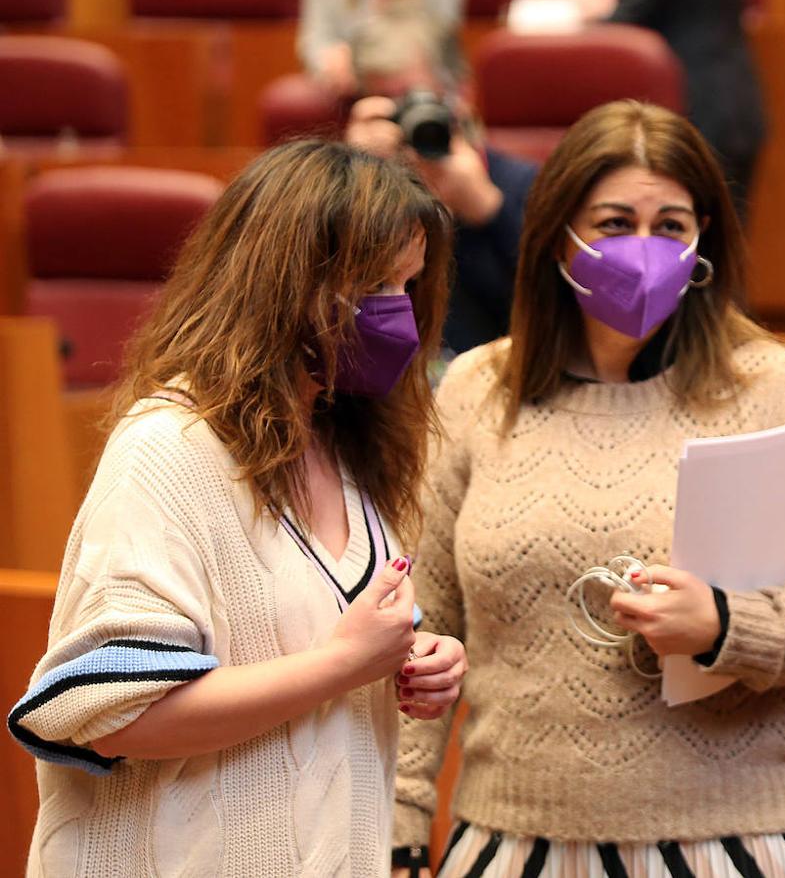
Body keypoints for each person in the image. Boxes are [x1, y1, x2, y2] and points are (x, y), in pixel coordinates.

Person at [392, 100, 785, 877]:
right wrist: (404, 818)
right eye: (615, 223)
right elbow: (422, 623)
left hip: (730, 842)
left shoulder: (769, 386)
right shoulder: (478, 390)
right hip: (509, 837)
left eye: (672, 226)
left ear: (703, 241)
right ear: (556, 237)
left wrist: (723, 624)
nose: (644, 249)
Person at [7, 140, 468, 876]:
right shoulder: (169, 447)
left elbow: (308, 648)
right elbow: (110, 713)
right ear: (281, 280)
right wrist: (344, 663)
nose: (399, 315)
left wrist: (410, 661)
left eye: (408, 286)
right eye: (375, 283)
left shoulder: (346, 445)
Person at [345, 96, 538, 355]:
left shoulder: (524, 182)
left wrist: (491, 211)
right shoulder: (366, 187)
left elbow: (551, 303)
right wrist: (357, 176)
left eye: (435, 118)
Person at [573, 0, 767, 220]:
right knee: (721, 237)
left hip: (692, 105)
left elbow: (626, 17)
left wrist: (600, 8)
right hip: (734, 96)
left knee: (690, 237)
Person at [299, 0, 468, 97]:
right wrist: (330, 60)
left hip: (422, 69)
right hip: (359, 79)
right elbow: (318, 37)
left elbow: (442, 38)